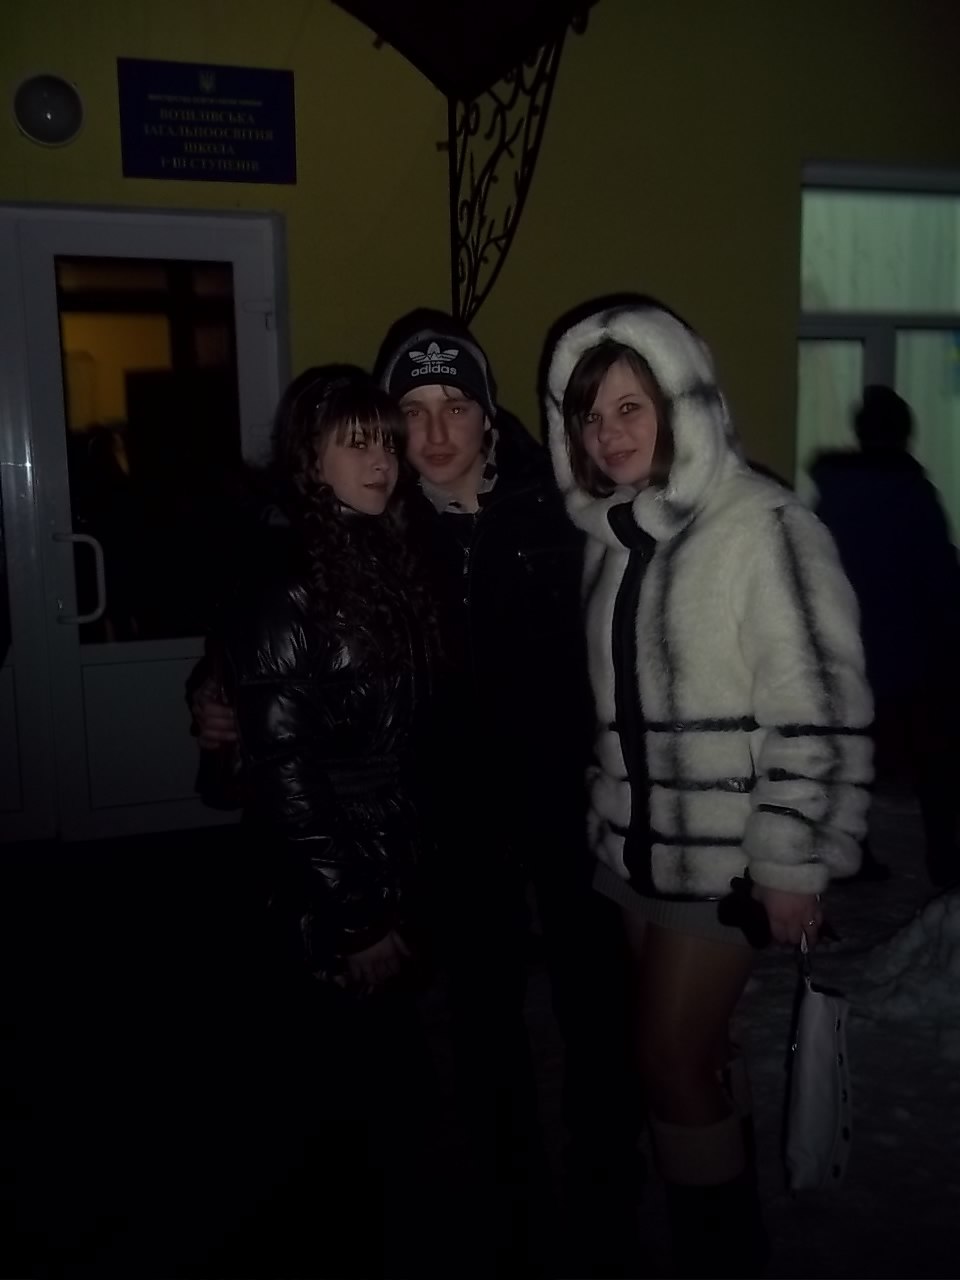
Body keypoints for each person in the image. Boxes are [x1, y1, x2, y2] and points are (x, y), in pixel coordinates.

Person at [192, 314, 640, 1276]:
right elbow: (277, 608)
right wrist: (214, 686)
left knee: (595, 1005)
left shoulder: (560, 505)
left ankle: (608, 1194)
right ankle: (513, 1211)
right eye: (412, 411)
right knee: (481, 1021)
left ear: (489, 413)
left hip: (567, 802)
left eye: (456, 406)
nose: (435, 435)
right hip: (449, 817)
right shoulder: (382, 523)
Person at [542, 296, 873, 1277]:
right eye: (591, 415)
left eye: (631, 407)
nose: (608, 433)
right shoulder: (610, 539)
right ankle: (727, 1226)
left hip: (727, 857)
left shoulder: (763, 524)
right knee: (700, 1056)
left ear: (684, 403)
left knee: (667, 1059)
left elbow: (817, 701)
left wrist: (794, 859)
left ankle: (717, 1254)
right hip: (632, 851)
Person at [215, 364, 436, 1275]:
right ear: (310, 459)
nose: (381, 461)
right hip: (333, 881)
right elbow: (286, 772)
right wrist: (356, 916)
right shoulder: (292, 582)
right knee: (340, 1111)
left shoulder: (378, 554)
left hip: (388, 853)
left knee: (388, 1097)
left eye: (386, 441)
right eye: (356, 443)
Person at [811, 386, 960, 887]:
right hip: (910, 655)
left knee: (853, 762)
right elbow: (939, 577)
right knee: (936, 762)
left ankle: (851, 852)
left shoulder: (833, 494)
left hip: (847, 649)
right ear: (904, 434)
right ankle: (944, 861)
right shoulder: (912, 495)